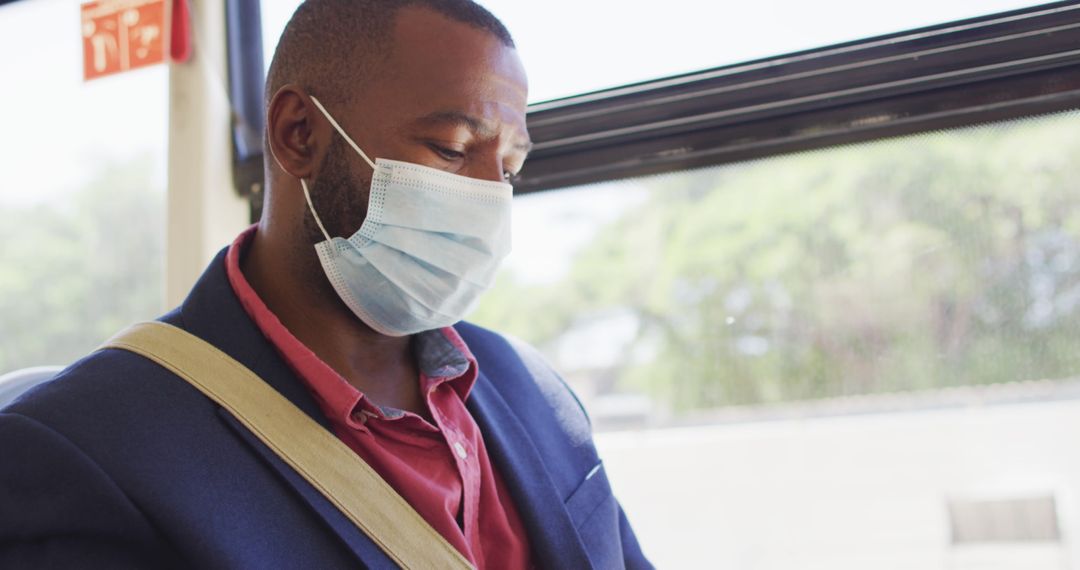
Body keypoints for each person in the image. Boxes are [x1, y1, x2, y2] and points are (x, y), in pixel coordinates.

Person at [0, 0, 652, 568]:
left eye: (508, 168)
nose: (490, 202)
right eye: (452, 148)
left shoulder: (531, 387)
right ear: (298, 135)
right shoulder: (83, 452)